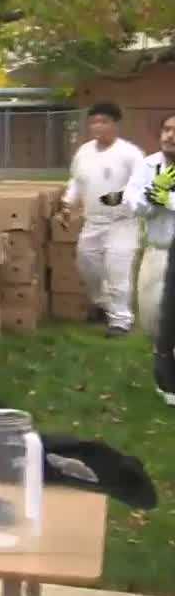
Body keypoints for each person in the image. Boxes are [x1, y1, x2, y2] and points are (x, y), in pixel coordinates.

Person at [60, 102, 145, 338]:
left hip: (122, 223)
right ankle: (103, 304)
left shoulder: (130, 153)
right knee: (88, 266)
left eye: (104, 122)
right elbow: (77, 181)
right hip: (93, 221)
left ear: (115, 124)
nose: (98, 126)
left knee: (117, 270)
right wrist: (68, 203)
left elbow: (140, 186)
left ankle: (121, 321)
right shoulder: (84, 152)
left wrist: (116, 200)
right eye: (94, 122)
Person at [124, 113, 175, 403]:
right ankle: (166, 380)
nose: (170, 135)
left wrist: (168, 199)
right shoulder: (148, 165)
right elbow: (134, 203)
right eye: (167, 129)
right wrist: (154, 194)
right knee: (155, 318)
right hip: (159, 250)